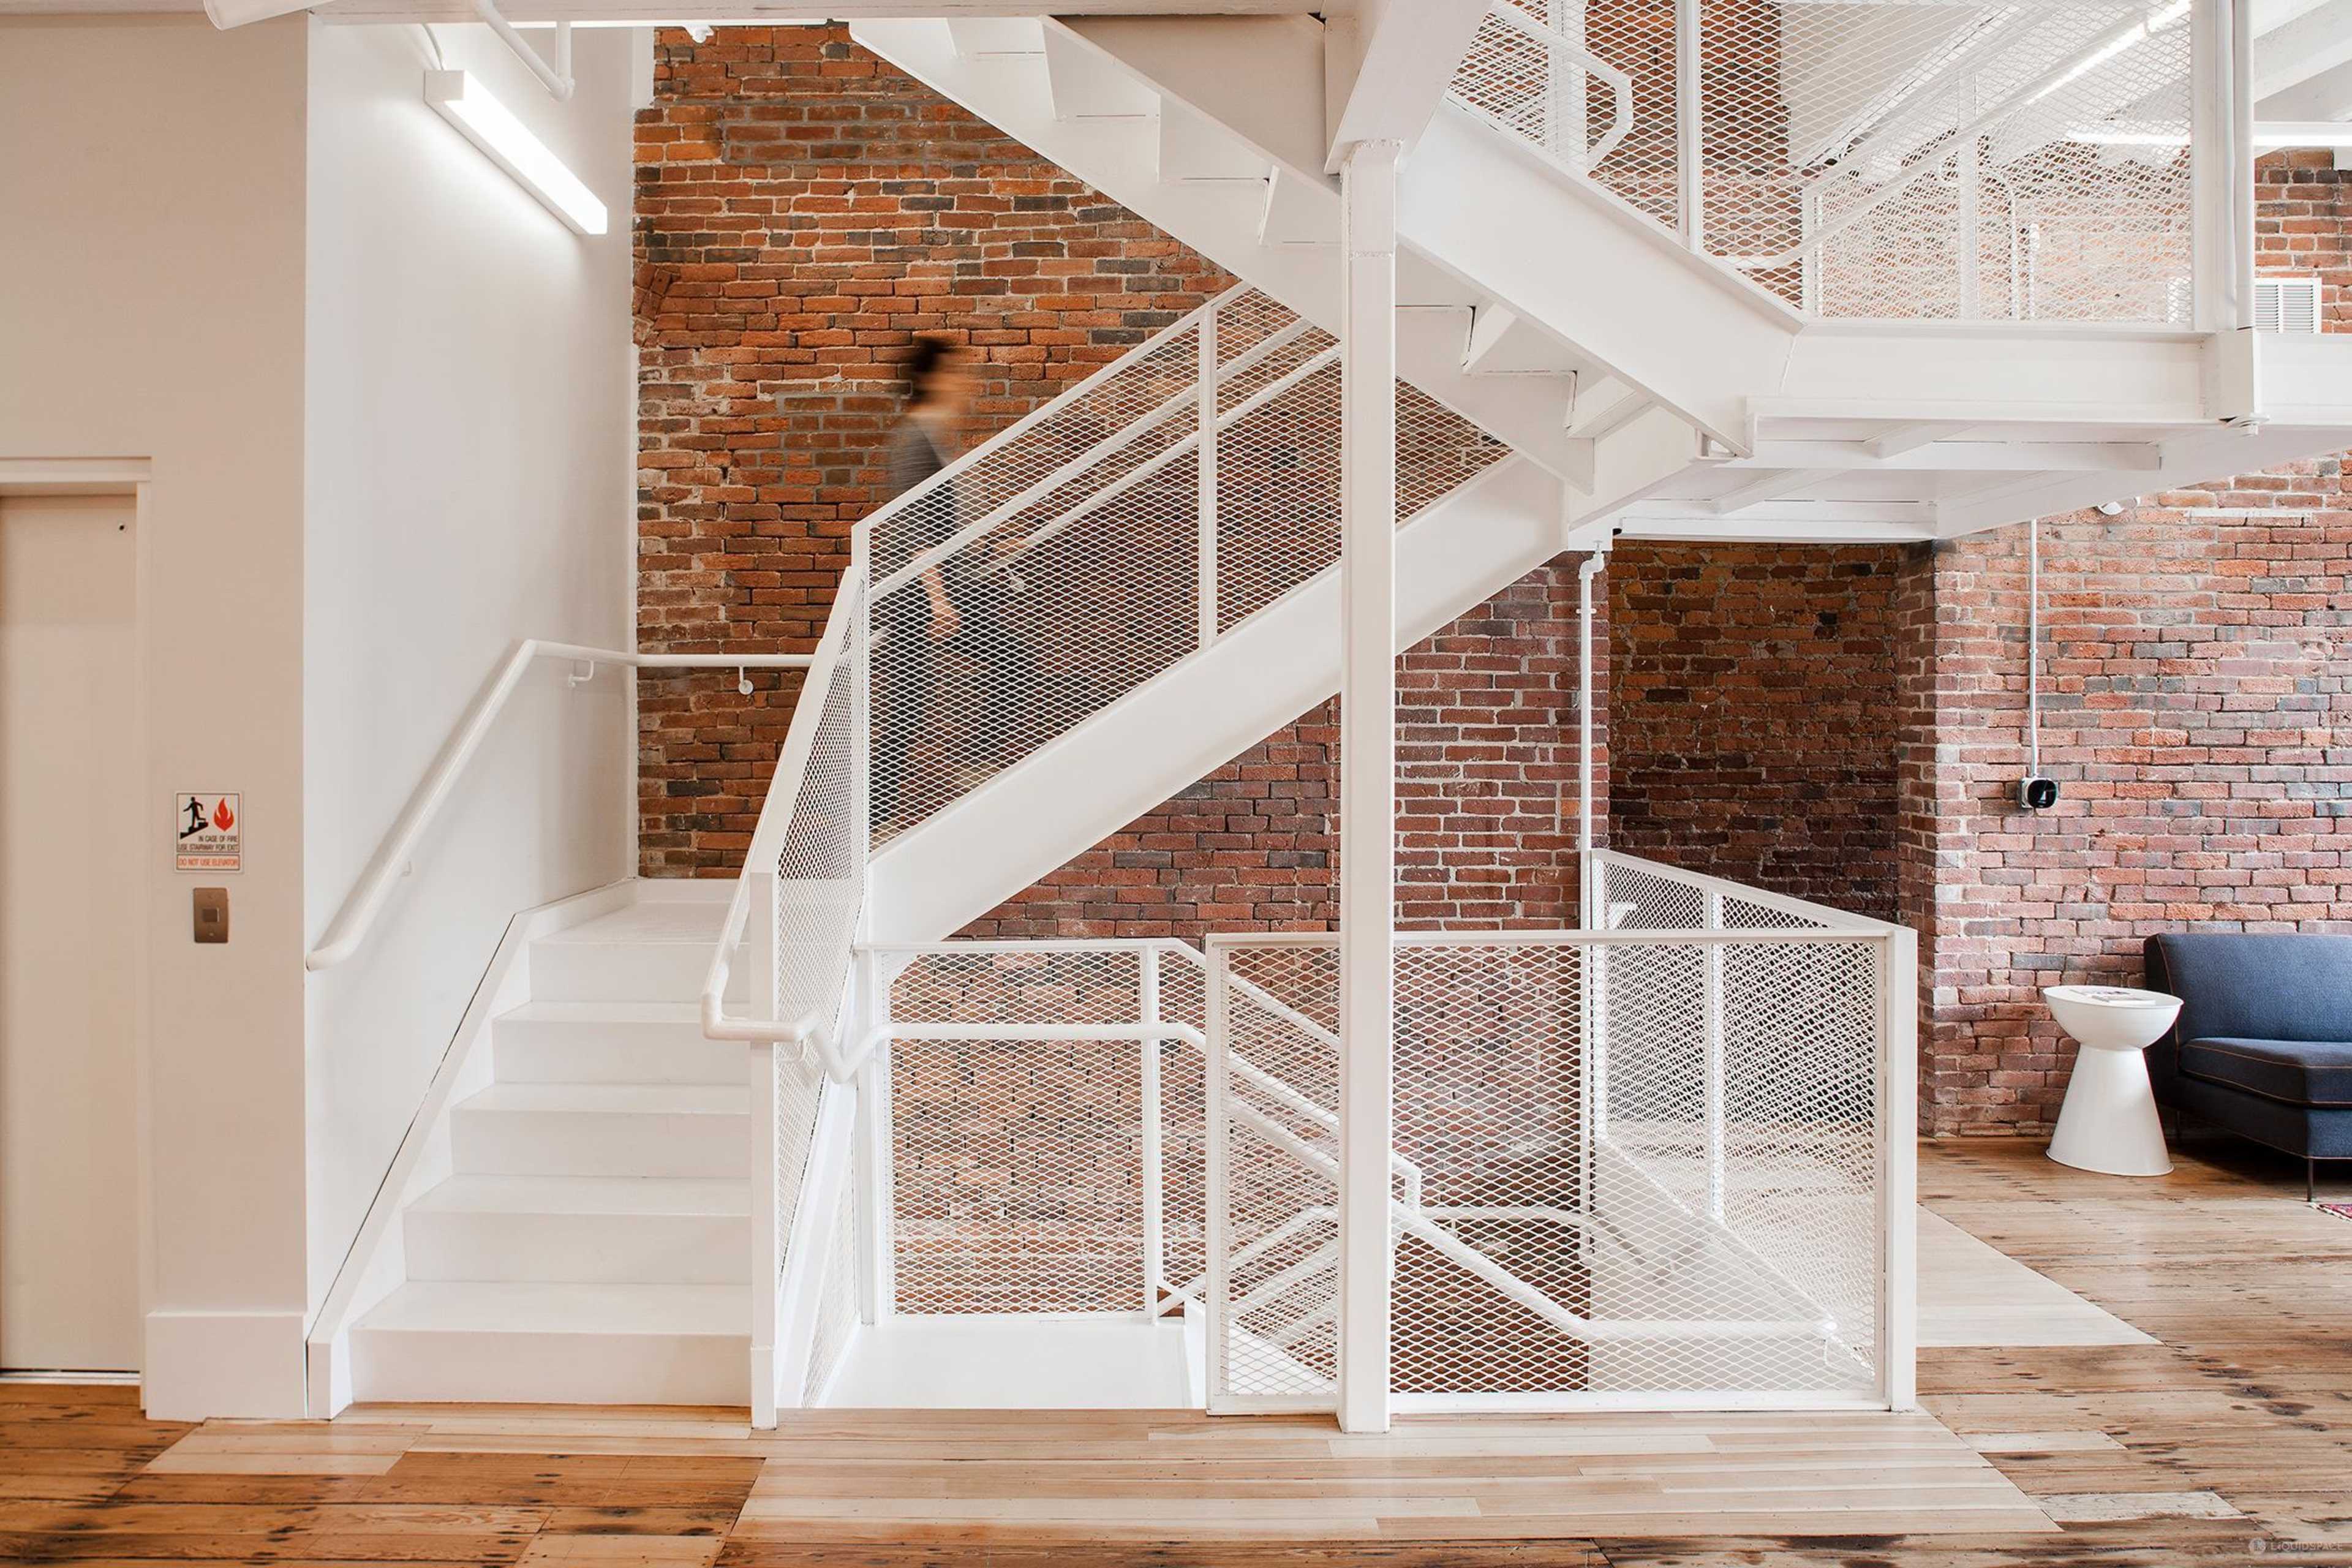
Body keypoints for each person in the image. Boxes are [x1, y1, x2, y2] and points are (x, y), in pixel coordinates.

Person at [872, 337, 1038, 824]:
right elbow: (913, 526)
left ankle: (968, 763)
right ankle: (873, 815)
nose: (965, 383)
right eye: (954, 372)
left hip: (948, 589)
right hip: (919, 596)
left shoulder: (941, 440)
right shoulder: (912, 440)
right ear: (929, 378)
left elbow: (954, 526)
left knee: (920, 701)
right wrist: (939, 599)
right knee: (910, 706)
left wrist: (994, 548)